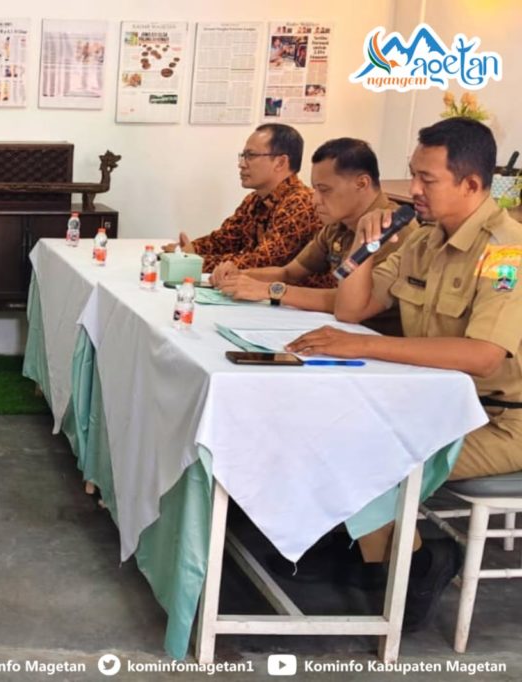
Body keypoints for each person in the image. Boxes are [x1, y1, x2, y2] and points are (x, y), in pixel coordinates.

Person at [287, 118, 522, 629]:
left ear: (472, 184)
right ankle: (375, 557)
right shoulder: (423, 239)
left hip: (499, 420)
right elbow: (353, 309)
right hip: (435, 403)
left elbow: (483, 355)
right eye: (413, 174)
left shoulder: (507, 251)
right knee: (332, 427)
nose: (412, 189)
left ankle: (414, 567)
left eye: (427, 179)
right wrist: (364, 250)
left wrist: (367, 347)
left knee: (374, 451)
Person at [214, 138, 416, 330]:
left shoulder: (392, 229)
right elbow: (288, 273)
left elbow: (350, 302)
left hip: (376, 335)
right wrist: (239, 276)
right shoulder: (338, 224)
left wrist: (271, 290)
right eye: (315, 190)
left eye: (324, 190)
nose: (314, 200)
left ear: (362, 184)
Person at [174, 124, 323, 275]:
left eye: (251, 156)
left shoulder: (300, 202)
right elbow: (224, 240)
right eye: (243, 156)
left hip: (292, 289)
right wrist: (186, 251)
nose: (241, 164)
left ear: (280, 162)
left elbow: (262, 262)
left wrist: (191, 261)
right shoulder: (254, 200)